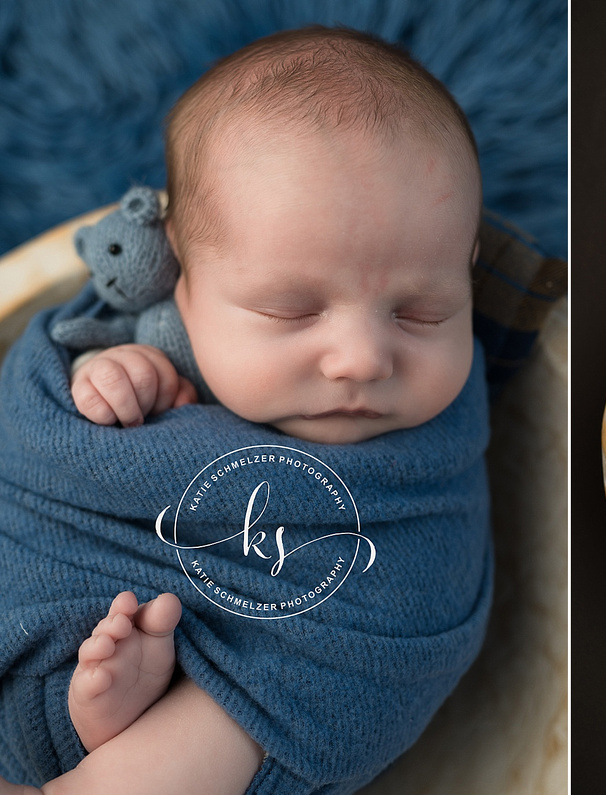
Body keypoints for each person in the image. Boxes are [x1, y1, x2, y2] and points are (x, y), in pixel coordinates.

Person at [0, 25, 484, 795]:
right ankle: (89, 712)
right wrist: (109, 370)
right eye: (292, 311)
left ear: (468, 271)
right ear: (179, 284)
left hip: (298, 666)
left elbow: (418, 591)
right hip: (92, 607)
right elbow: (48, 430)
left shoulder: (426, 454)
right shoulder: (152, 338)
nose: (362, 358)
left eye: (422, 312)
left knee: (259, 709)